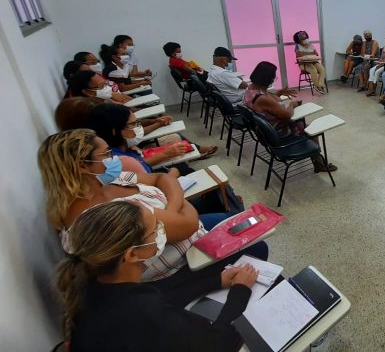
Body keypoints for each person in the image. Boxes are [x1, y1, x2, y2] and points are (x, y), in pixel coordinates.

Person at [38, 130, 267, 300]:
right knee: (258, 246)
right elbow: (188, 223)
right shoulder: (106, 217)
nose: (113, 158)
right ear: (82, 166)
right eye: (106, 153)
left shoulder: (104, 182)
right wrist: (179, 207)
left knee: (244, 220)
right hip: (183, 264)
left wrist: (171, 209)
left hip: (184, 224)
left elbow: (161, 178)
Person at [54, 200, 258, 351]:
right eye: (155, 230)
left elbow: (162, 297)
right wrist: (240, 291)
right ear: (132, 254)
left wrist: (216, 281)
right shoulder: (143, 313)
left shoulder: (92, 284)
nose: (162, 231)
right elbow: (220, 345)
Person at [245, 62, 337, 173]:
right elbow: (287, 114)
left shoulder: (250, 89)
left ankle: (316, 160)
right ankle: (320, 164)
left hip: (265, 132)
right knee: (312, 130)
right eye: (273, 77)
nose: (274, 79)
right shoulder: (261, 98)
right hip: (278, 133)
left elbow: (271, 100)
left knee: (303, 124)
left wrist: (279, 93)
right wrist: (292, 105)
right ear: (267, 78)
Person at [87, 103, 218, 176]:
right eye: (133, 124)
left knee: (180, 157)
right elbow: (143, 172)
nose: (138, 127)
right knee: (183, 168)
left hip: (151, 174)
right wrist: (169, 164)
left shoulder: (120, 146)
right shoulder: (115, 160)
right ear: (115, 131)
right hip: (157, 185)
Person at [75, 51, 149, 92]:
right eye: (93, 62)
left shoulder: (99, 75)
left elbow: (128, 81)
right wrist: (141, 83)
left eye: (97, 61)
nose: (97, 64)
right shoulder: (112, 69)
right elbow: (122, 88)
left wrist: (142, 80)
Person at [67, 71, 132, 105]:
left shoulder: (101, 98)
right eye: (101, 85)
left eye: (105, 83)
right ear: (87, 91)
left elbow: (127, 101)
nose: (106, 87)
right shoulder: (92, 109)